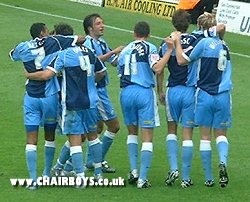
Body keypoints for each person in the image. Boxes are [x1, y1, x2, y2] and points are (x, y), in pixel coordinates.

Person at [9, 22, 84, 190]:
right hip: (49, 97)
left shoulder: (22, 46)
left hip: (31, 98)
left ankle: (34, 181)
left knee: (31, 139)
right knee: (49, 136)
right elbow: (80, 39)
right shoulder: (54, 41)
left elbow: (12, 55)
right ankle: (46, 174)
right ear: (43, 32)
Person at [25, 42, 107, 187]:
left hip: (72, 102)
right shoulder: (89, 51)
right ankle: (98, 173)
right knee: (93, 136)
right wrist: (89, 82)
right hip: (92, 101)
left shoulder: (63, 54)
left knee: (75, 139)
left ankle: (80, 178)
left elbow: (46, 75)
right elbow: (101, 72)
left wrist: (28, 74)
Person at [172, 12, 231, 188]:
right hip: (224, 94)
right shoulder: (225, 45)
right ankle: (222, 161)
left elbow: (182, 61)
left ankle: (208, 178)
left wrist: (176, 43)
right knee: (221, 134)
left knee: (205, 137)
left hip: (204, 93)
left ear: (199, 26)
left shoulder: (202, 41)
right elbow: (222, 28)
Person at [117, 21, 173, 188]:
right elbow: (157, 68)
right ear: (148, 34)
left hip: (126, 93)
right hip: (143, 93)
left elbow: (118, 66)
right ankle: (142, 178)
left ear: (134, 33)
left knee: (132, 132)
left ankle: (133, 170)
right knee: (147, 136)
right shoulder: (150, 48)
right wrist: (169, 50)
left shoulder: (125, 50)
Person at [157, 9, 196, 188]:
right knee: (187, 134)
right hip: (190, 91)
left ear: (173, 23)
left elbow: (160, 70)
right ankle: (186, 178)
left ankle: (173, 168)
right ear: (188, 24)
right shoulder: (195, 40)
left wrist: (160, 92)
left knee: (171, 130)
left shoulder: (165, 42)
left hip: (172, 90)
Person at [83, 13, 124, 173]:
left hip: (100, 89)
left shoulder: (101, 42)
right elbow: (95, 59)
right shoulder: (87, 42)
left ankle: (89, 161)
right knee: (114, 126)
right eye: (98, 23)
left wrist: (127, 55)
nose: (102, 26)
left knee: (97, 128)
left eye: (102, 22)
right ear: (90, 28)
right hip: (96, 91)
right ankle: (95, 160)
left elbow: (113, 62)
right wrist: (114, 52)